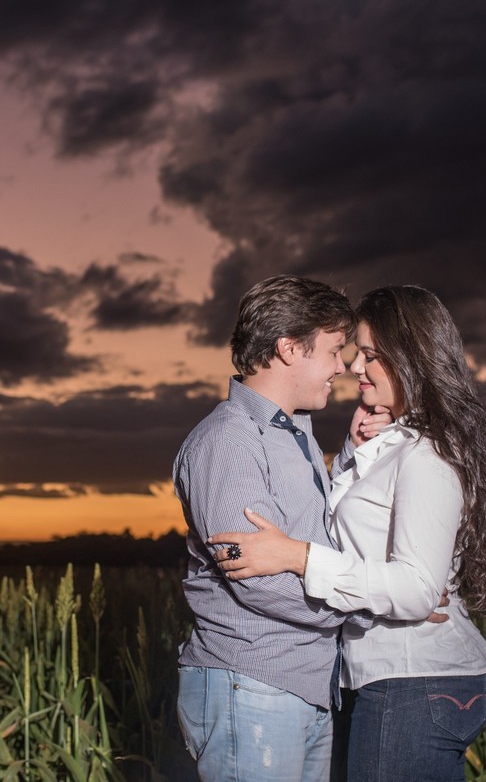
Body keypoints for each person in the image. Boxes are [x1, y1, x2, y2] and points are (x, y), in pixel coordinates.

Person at [211, 285, 486, 782]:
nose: (354, 366)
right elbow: (356, 532)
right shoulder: (395, 445)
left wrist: (298, 557)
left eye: (369, 355)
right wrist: (354, 454)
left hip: (414, 679)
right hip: (401, 679)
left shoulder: (426, 454)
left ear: (409, 359)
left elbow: (415, 591)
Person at [174, 275, 389, 782]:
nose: (343, 367)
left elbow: (309, 531)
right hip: (251, 683)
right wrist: (372, 599)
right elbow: (257, 576)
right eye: (334, 350)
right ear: (289, 348)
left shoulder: (294, 433)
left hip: (303, 684)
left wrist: (352, 454)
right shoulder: (229, 440)